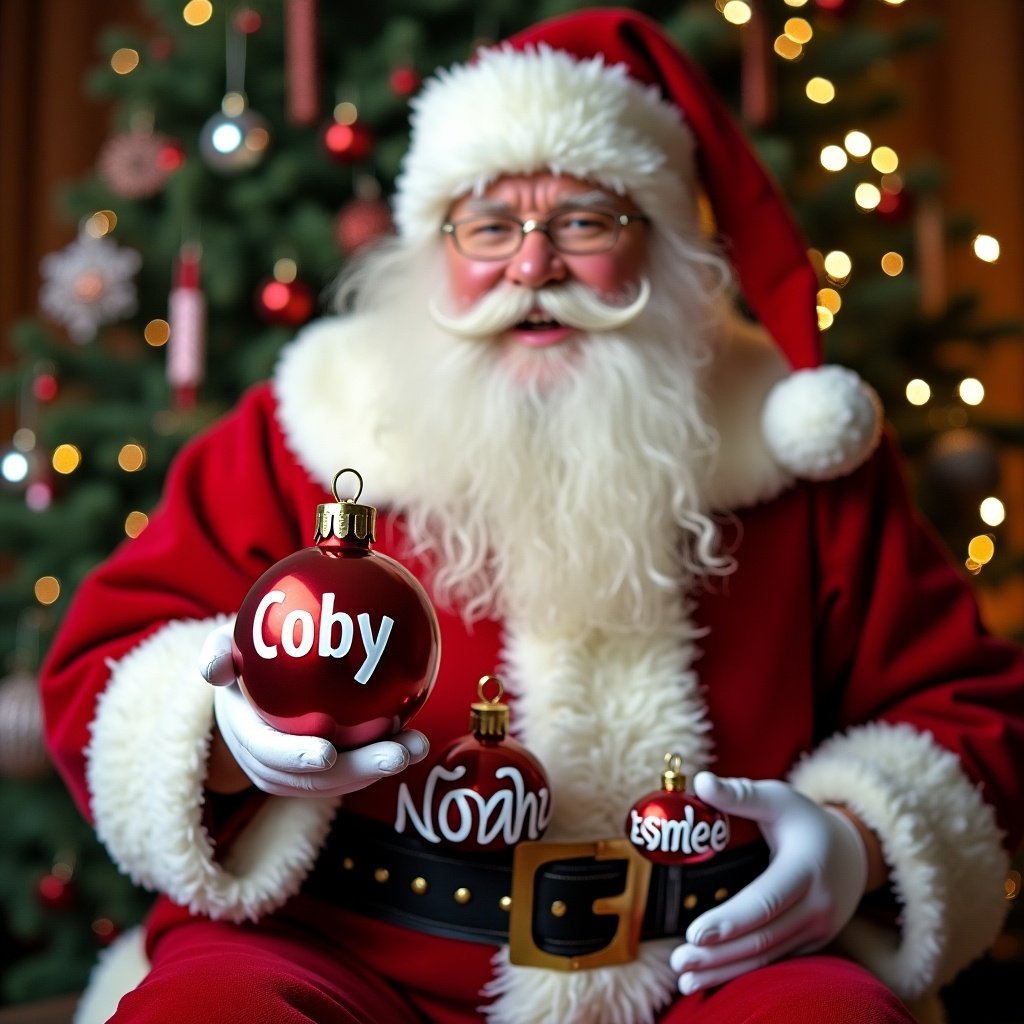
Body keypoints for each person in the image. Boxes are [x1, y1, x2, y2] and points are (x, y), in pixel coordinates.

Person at [40, 9, 1024, 1024]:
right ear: (434, 248)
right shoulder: (300, 429)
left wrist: (857, 839)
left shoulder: (796, 451)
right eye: (490, 224)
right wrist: (222, 732)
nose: (532, 265)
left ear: (669, 247)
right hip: (339, 945)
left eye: (586, 220)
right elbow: (110, 658)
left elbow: (960, 703)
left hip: (711, 962)